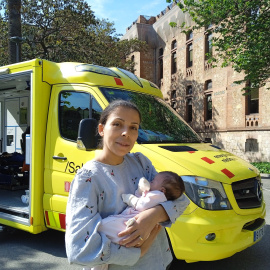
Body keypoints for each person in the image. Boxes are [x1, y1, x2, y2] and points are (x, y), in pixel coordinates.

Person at [65, 100, 190, 270]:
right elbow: (78, 249)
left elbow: (181, 200)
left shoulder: (141, 163)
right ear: (101, 129)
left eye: (133, 127)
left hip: (159, 262)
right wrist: (137, 253)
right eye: (117, 124)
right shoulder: (88, 178)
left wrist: (152, 216)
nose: (126, 133)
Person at [99, 172, 185, 245]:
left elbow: (141, 205)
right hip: (131, 222)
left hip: (131, 221)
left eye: (153, 181)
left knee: (102, 227)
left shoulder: (158, 195)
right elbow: (140, 197)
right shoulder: (155, 194)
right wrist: (141, 189)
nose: (151, 182)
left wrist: (130, 199)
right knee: (107, 232)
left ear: (162, 190)